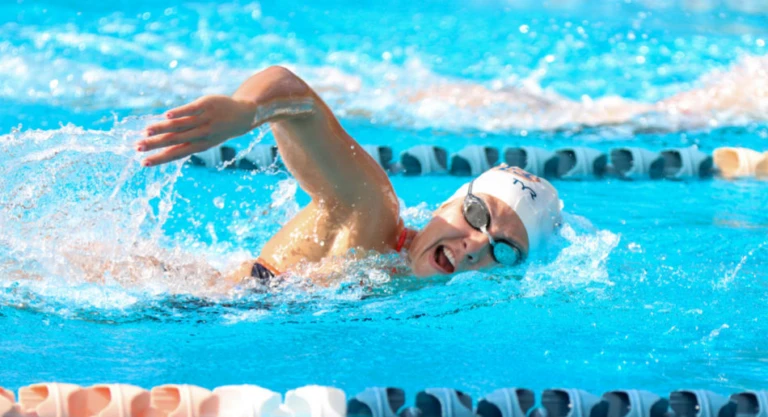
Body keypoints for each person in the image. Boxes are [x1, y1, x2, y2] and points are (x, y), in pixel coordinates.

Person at [135, 66, 562, 284]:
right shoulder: (371, 214)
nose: (473, 247)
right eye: (474, 214)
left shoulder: (408, 288)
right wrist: (246, 110)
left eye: (503, 251)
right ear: (448, 203)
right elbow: (292, 92)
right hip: (173, 298)